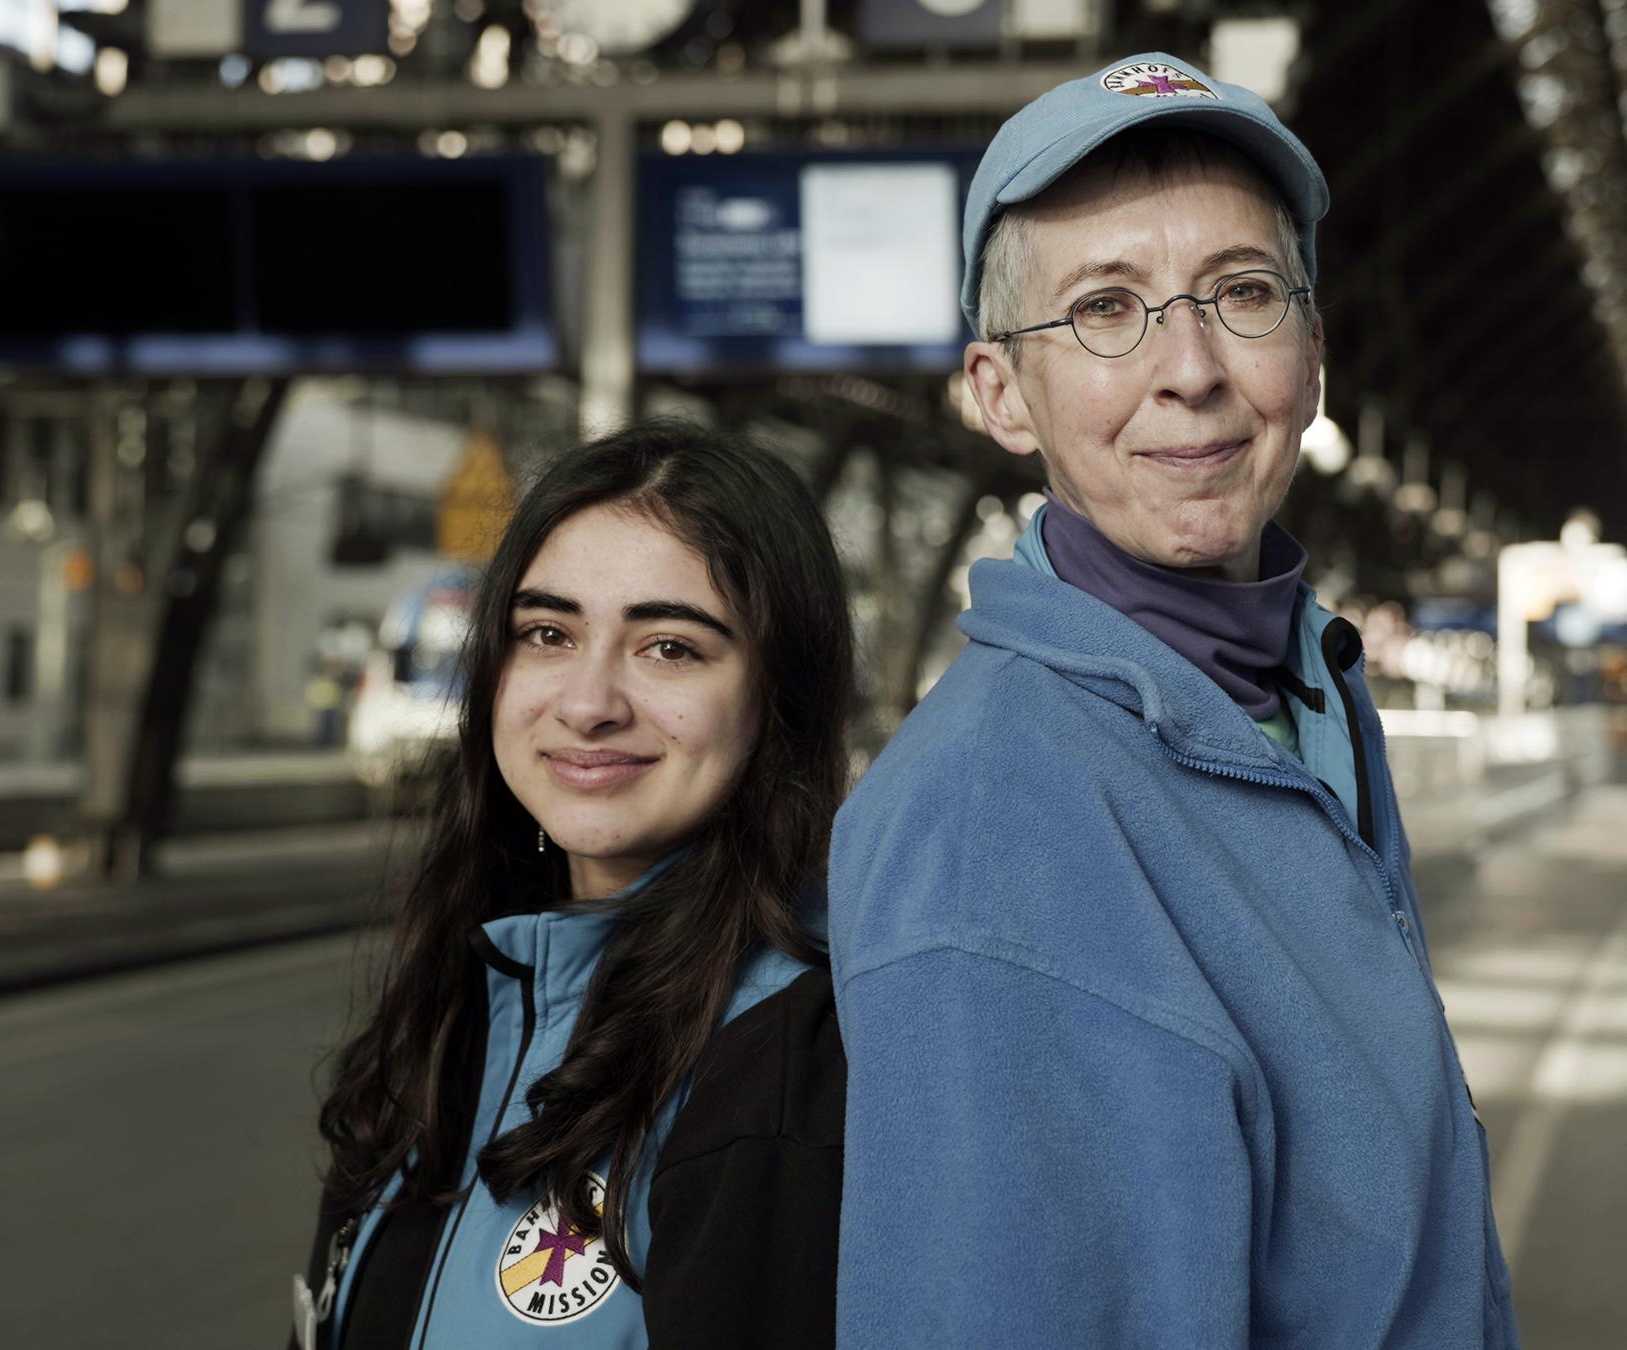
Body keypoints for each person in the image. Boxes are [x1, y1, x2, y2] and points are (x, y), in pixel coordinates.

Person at [827, 52, 1520, 1348]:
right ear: (999, 393)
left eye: (1242, 292)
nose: (1190, 366)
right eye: (1105, 307)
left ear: (1313, 354)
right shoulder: (988, 825)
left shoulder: (1306, 692)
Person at [297, 421, 851, 1349]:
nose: (588, 703)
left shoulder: (800, 1061)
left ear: (778, 696)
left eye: (669, 647)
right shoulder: (464, 1000)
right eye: (548, 634)